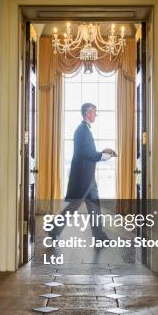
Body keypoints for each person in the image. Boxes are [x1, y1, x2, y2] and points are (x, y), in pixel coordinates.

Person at [52, 103, 116, 243]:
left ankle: (99, 237)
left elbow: (87, 153)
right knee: (74, 206)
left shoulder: (84, 130)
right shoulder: (82, 130)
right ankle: (53, 228)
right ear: (87, 113)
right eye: (94, 112)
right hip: (83, 178)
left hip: (87, 177)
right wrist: (103, 155)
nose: (96, 115)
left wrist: (102, 155)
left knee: (94, 207)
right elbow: (87, 153)